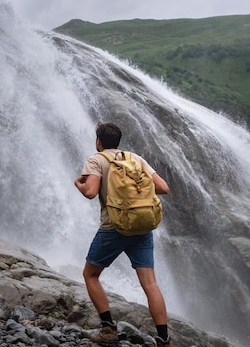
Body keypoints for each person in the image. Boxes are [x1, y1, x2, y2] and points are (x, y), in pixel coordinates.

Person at [74, 122, 173, 347]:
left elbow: (90, 192)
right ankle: (164, 340)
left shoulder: (96, 160)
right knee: (150, 284)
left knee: (90, 275)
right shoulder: (135, 159)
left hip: (114, 228)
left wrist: (78, 183)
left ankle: (108, 328)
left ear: (98, 141)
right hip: (142, 227)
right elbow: (163, 187)